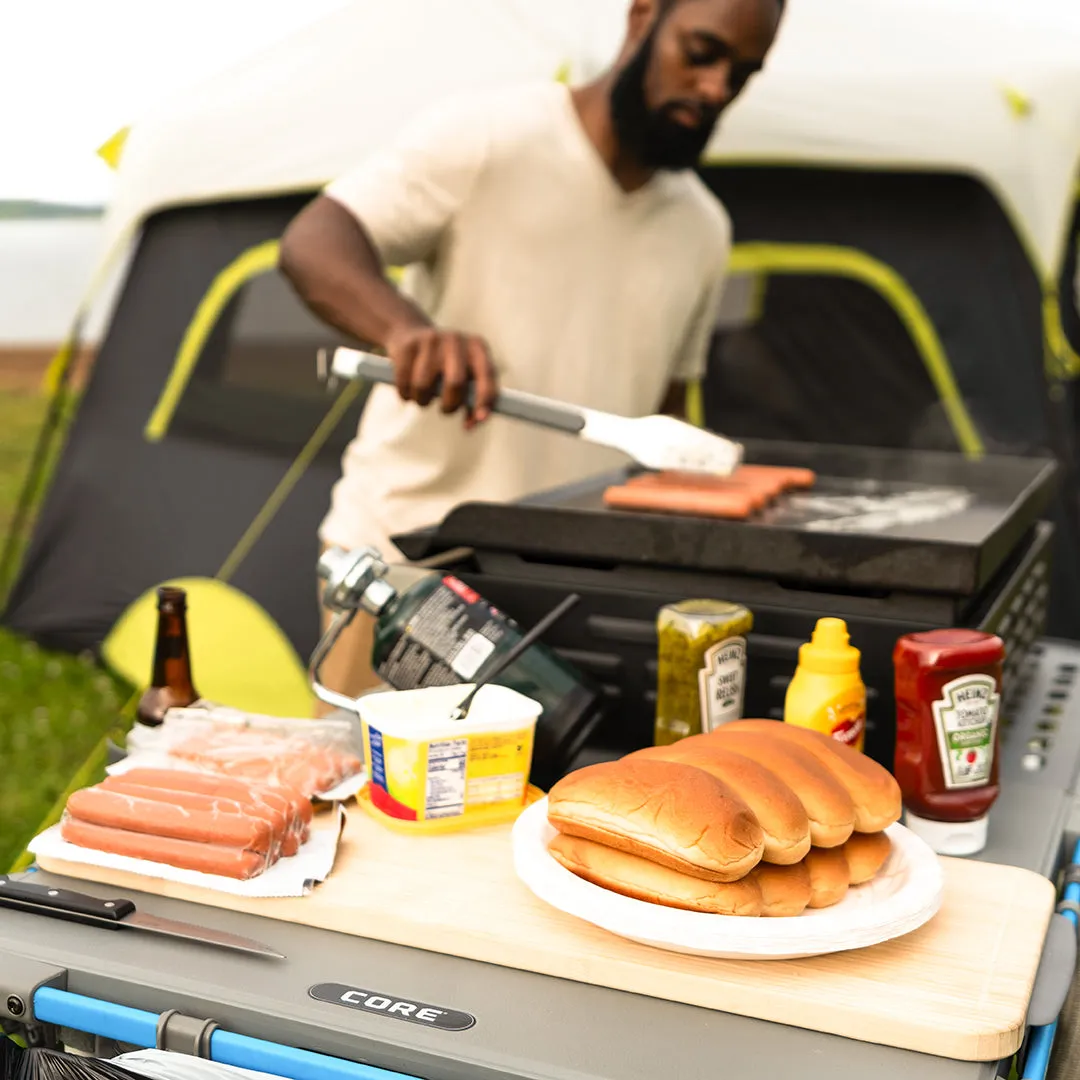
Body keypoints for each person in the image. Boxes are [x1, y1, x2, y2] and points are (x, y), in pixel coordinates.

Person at [279, 0, 784, 702]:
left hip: (570, 594)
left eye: (743, 73)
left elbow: (665, 413)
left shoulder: (703, 228)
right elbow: (315, 241)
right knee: (384, 805)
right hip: (405, 573)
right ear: (642, 17)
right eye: (701, 52)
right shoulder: (489, 135)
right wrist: (405, 331)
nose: (716, 89)